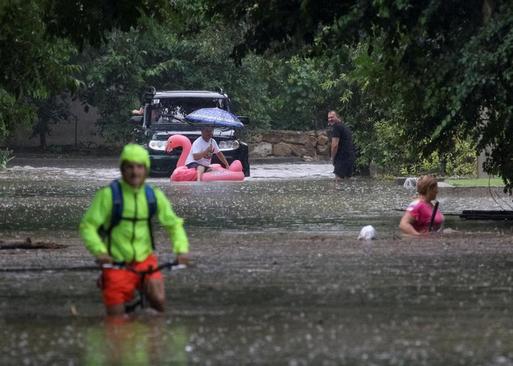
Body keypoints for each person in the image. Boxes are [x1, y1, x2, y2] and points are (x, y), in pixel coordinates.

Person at [79, 144, 189, 316]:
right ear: (122, 169)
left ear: (146, 169)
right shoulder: (107, 195)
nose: (135, 172)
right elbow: (88, 226)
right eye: (129, 166)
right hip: (116, 263)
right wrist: (100, 252)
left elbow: (173, 224)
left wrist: (181, 250)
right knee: (116, 323)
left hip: (146, 261)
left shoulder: (154, 196)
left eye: (139, 167)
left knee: (159, 302)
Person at [327, 111, 355, 180]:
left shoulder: (336, 127)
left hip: (341, 158)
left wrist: (332, 158)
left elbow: (335, 145)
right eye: (329, 118)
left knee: (338, 183)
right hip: (350, 157)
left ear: (337, 117)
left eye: (332, 117)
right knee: (348, 181)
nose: (330, 119)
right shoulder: (344, 126)